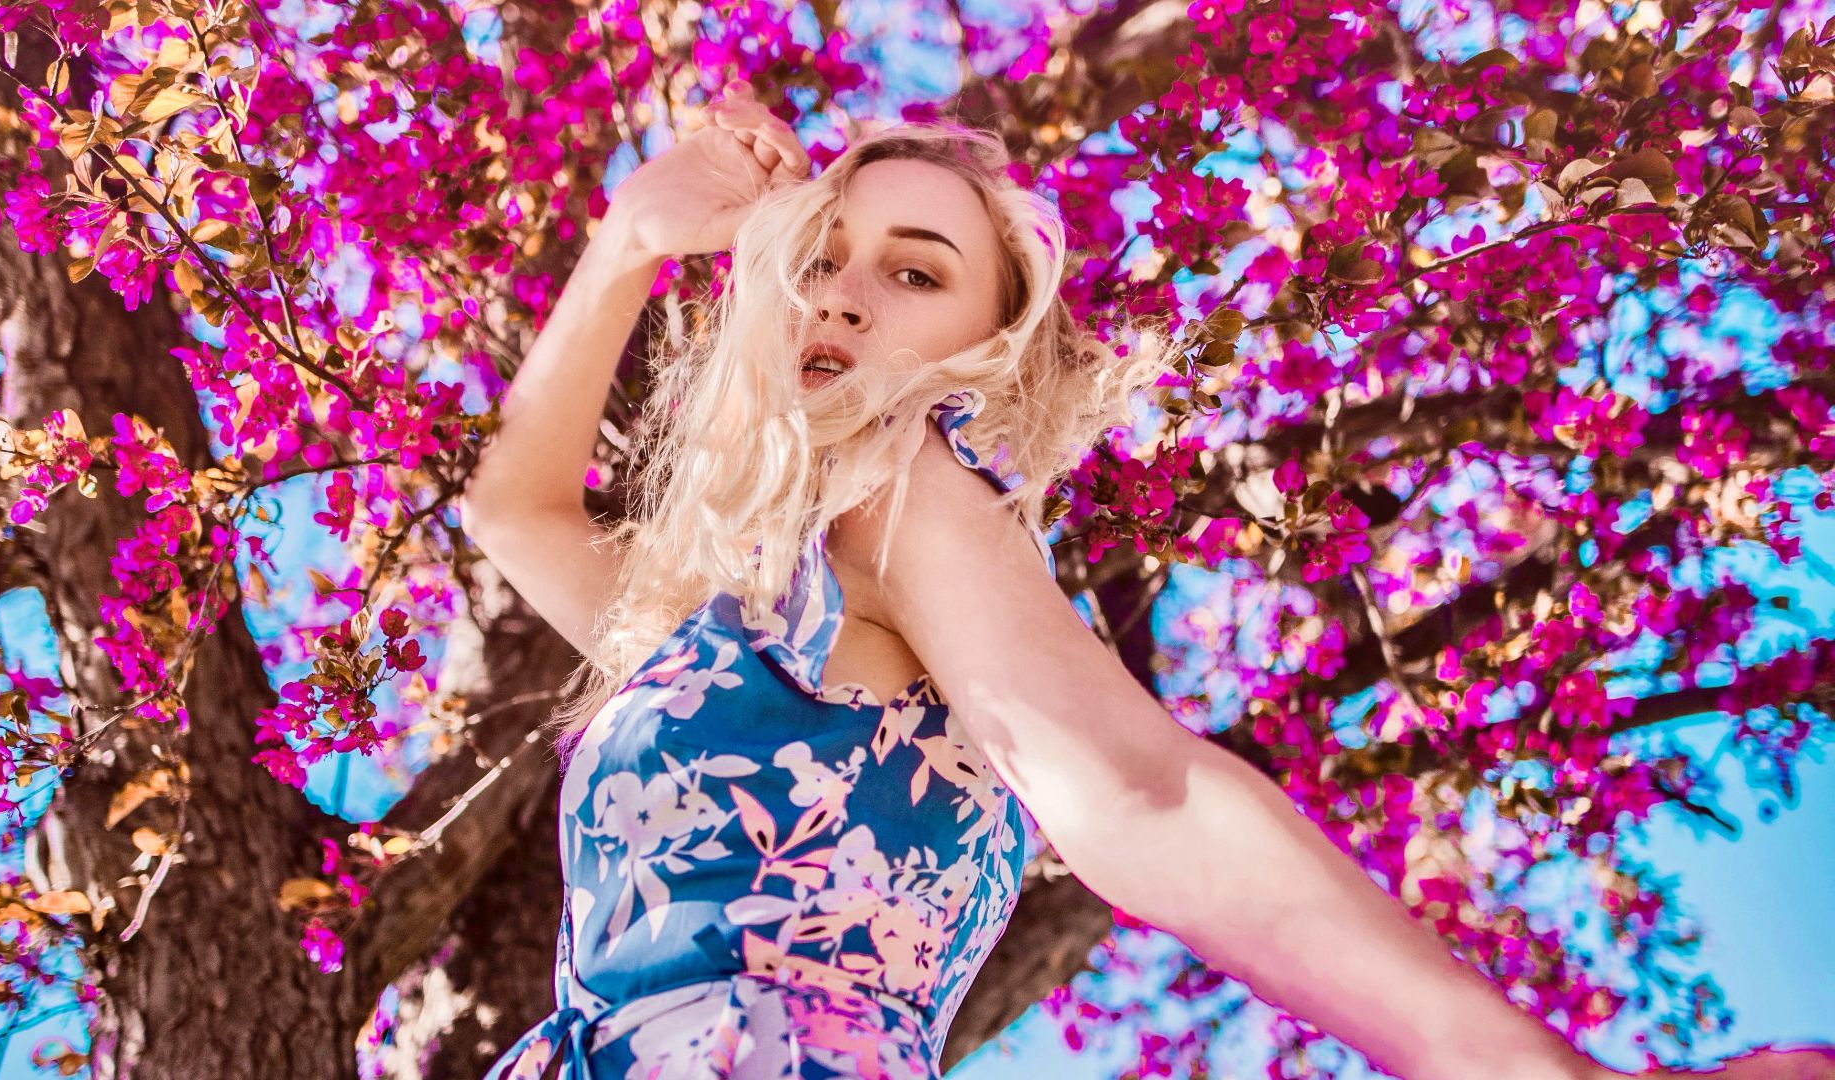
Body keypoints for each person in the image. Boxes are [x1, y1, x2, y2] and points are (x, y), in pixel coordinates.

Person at [457, 80, 1835, 1080]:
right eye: (819, 259)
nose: (841, 292)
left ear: (989, 355)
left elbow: (1145, 790)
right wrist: (635, 239)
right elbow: (514, 512)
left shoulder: (899, 494)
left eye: (913, 270)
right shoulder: (730, 615)